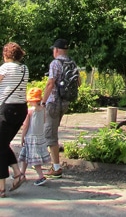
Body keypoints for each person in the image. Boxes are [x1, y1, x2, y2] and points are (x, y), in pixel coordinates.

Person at [42, 38, 80, 178]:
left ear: (56, 50)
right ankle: (52, 162)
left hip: (53, 102)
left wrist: (43, 101)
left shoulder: (55, 63)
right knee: (52, 131)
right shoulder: (72, 63)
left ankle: (56, 168)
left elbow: (50, 83)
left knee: (50, 134)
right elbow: (79, 82)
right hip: (65, 102)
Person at [0, 42, 29, 196]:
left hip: (7, 109)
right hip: (21, 109)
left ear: (6, 54)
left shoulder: (5, 68)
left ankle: (1, 187)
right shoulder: (24, 69)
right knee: (3, 144)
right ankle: (17, 173)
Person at [18, 87, 51, 185]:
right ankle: (22, 173)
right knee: (26, 155)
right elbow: (44, 121)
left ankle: (41, 176)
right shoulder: (43, 109)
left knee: (34, 159)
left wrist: (22, 137)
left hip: (30, 137)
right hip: (40, 136)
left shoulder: (30, 111)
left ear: (32, 100)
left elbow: (25, 126)